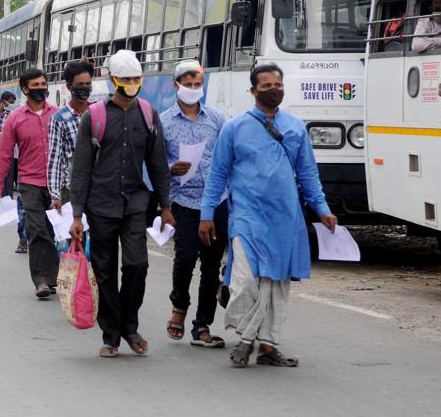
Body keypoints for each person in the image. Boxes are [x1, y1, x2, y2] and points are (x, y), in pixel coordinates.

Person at [199, 63, 338, 368]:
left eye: (278, 84)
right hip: (246, 216)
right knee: (247, 281)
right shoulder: (234, 128)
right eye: (266, 86)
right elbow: (217, 174)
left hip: (285, 218)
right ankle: (247, 338)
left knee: (276, 283)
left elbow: (308, 174)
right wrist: (207, 214)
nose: (274, 89)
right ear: (253, 91)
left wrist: (323, 209)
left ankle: (265, 346)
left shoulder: (295, 127)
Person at [69, 50, 173, 358]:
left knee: (137, 265)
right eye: (125, 79)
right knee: (104, 271)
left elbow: (158, 164)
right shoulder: (95, 117)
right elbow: (81, 169)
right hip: (100, 206)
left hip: (136, 205)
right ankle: (111, 333)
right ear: (113, 81)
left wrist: (166, 205)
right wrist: (76, 215)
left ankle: (129, 324)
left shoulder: (149, 114)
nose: (131, 84)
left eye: (135, 79)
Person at [159, 60, 229, 348]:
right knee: (186, 258)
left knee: (212, 265)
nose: (192, 89)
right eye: (187, 85)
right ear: (176, 86)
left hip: (216, 200)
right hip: (184, 201)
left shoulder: (217, 119)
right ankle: (179, 307)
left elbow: (227, 157)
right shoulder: (163, 122)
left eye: (197, 84)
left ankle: (202, 326)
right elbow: (152, 161)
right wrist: (170, 167)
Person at [0, 68, 60, 299]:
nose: (41, 88)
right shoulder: (15, 118)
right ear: (25, 89)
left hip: (56, 184)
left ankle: (53, 276)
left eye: (43, 84)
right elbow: (4, 156)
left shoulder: (57, 115)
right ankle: (42, 280)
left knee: (52, 231)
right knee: (36, 229)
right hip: (29, 183)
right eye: (36, 85)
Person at [47, 61, 93, 209]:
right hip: (71, 191)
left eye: (88, 84)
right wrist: (55, 195)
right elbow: (55, 160)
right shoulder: (59, 119)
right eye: (80, 84)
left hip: (98, 190)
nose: (85, 88)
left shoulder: (99, 113)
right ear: (69, 87)